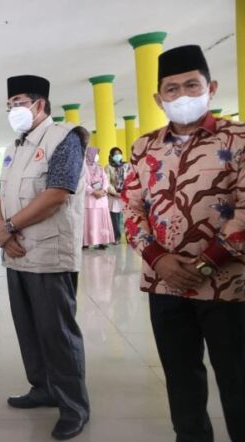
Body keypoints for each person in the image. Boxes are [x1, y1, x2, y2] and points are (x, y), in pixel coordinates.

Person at [122, 44, 245, 442]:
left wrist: (207, 262)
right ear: (159, 99)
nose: (182, 95)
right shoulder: (144, 147)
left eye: (191, 85)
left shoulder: (239, 138)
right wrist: (158, 260)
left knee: (238, 381)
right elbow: (131, 209)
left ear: (211, 87)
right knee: (181, 381)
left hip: (228, 286)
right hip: (165, 285)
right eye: (171, 89)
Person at [0, 75, 90, 440]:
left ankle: (73, 407)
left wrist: (10, 227)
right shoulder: (14, 145)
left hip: (49, 254)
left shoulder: (64, 138)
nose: (12, 110)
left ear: (40, 104)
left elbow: (57, 193)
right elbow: (0, 192)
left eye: (18, 102)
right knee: (29, 330)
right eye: (9, 105)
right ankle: (43, 388)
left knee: (57, 334)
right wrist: (3, 230)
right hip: (17, 254)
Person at [83, 147, 114, 249]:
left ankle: (102, 242)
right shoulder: (82, 168)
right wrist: (93, 191)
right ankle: (86, 242)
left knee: (101, 221)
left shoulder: (100, 168)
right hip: (89, 200)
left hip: (101, 199)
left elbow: (106, 181)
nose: (97, 156)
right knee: (89, 221)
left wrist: (104, 190)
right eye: (95, 154)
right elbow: (83, 183)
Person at [104, 147, 130, 244]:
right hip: (114, 196)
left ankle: (129, 237)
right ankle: (116, 237)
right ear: (111, 156)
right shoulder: (108, 167)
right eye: (115, 154)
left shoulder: (126, 166)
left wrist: (126, 192)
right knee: (115, 218)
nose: (118, 155)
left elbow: (130, 179)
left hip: (126, 195)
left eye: (119, 153)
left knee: (128, 218)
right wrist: (115, 193)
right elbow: (107, 181)